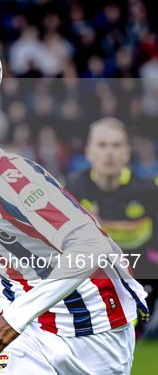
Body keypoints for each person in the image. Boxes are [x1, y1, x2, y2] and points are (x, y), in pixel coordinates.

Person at [0, 115, 149, 374]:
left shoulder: (11, 178)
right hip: (29, 324)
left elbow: (91, 246)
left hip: (95, 321)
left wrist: (14, 318)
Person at [65, 117, 158, 336]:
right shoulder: (73, 188)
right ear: (89, 151)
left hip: (140, 277)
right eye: (102, 145)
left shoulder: (148, 190)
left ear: (126, 153)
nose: (109, 153)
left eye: (116, 146)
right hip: (93, 276)